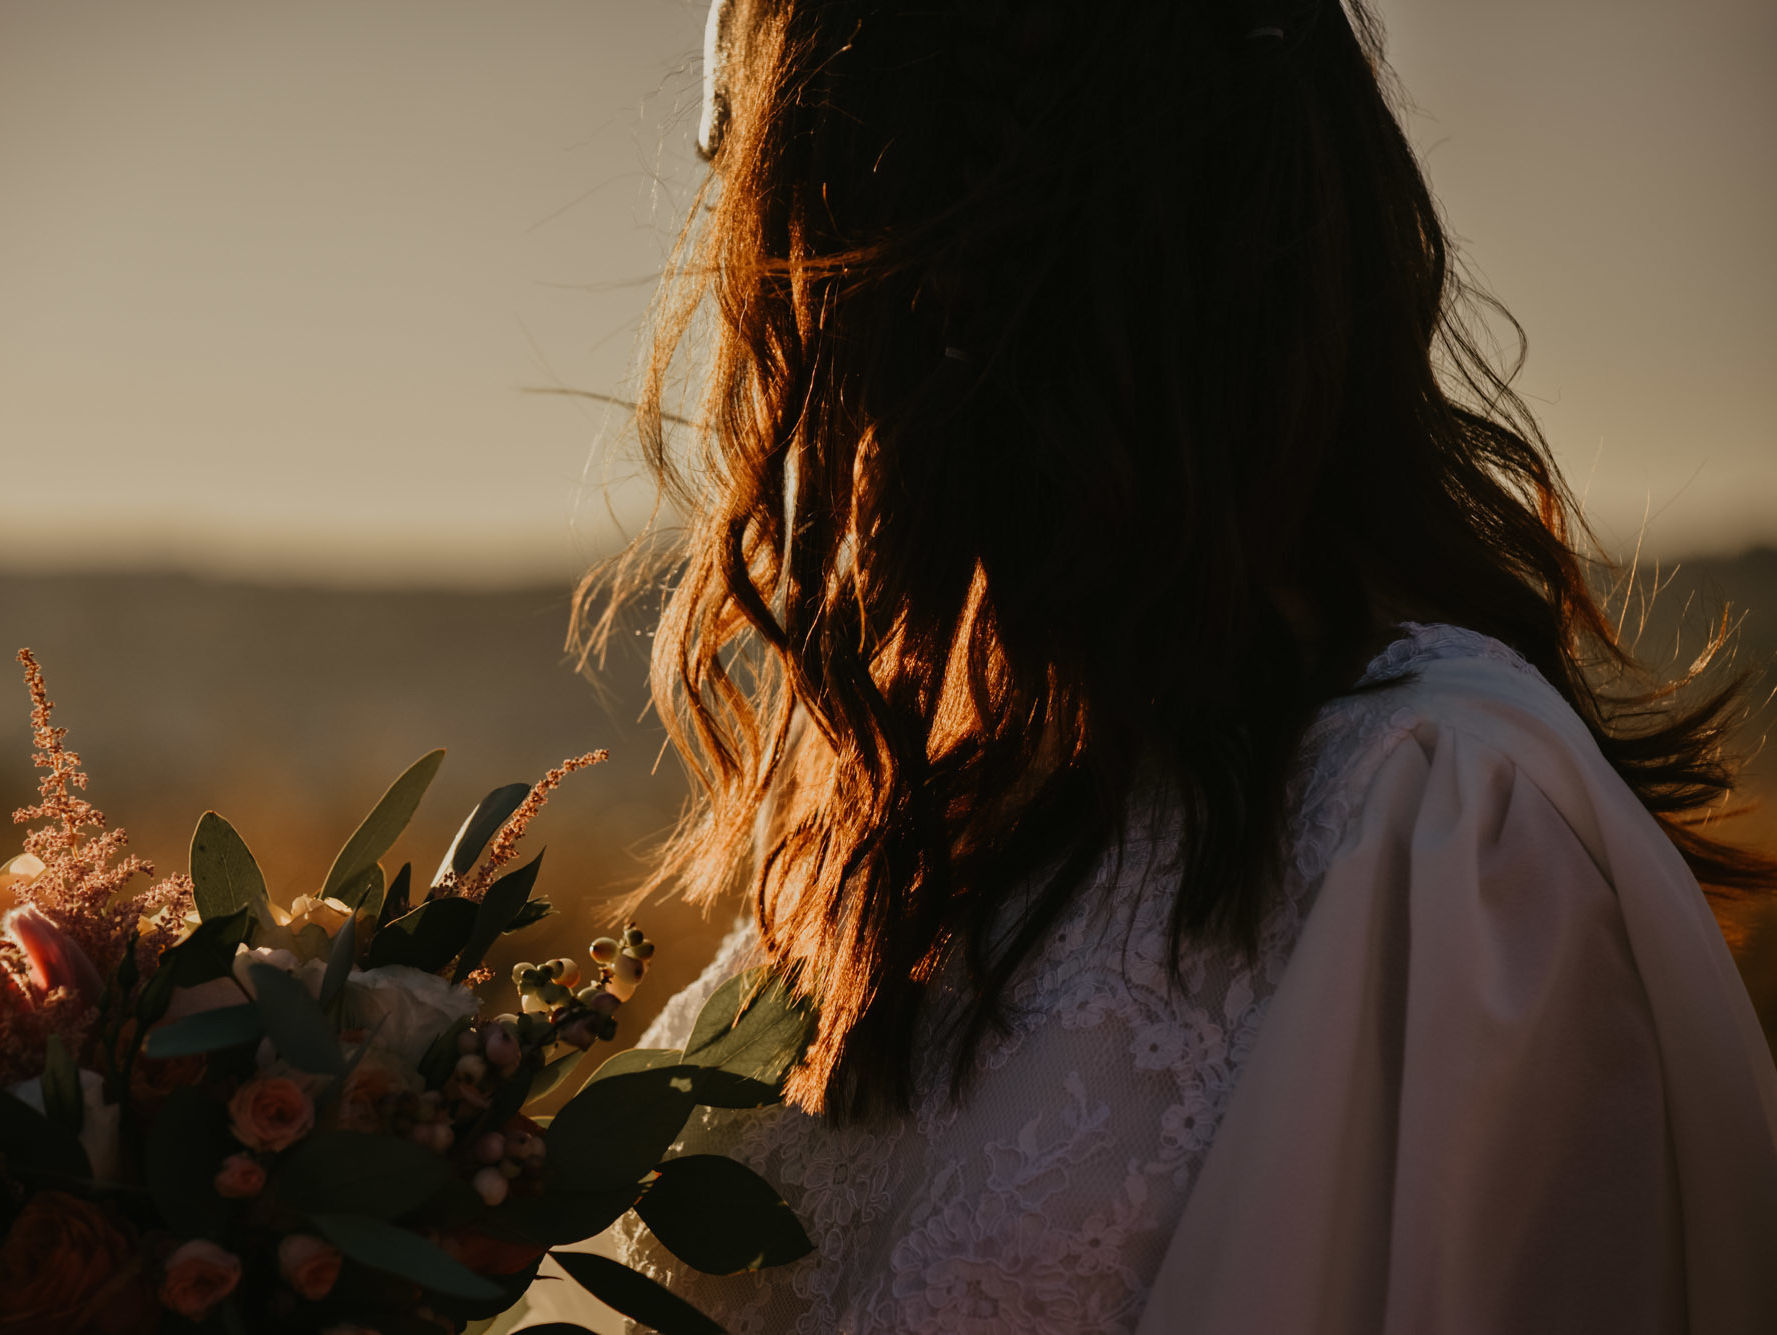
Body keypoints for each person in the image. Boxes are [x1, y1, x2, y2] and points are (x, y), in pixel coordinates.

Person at [567, 1, 1777, 1330]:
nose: (757, 323)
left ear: (939, 261)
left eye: (756, 182)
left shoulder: (1436, 823)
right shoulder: (918, 834)